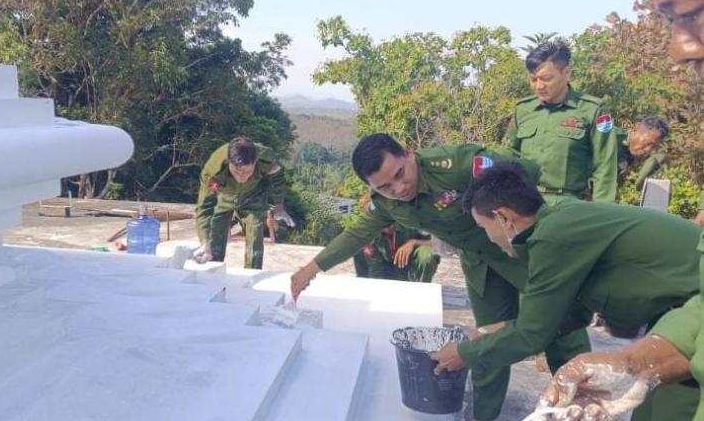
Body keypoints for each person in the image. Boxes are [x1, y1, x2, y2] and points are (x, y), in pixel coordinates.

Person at [289, 133, 591, 420]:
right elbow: (356, 234)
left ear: (408, 153)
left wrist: (516, 220)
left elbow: (528, 171)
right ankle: (484, 414)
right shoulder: (386, 204)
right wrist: (311, 268)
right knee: (488, 340)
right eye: (385, 187)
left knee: (562, 326)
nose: (398, 188)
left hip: (524, 252)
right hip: (482, 264)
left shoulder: (455, 165)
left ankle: (582, 403)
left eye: (400, 173)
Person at [536, 0, 704, 419]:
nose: (679, 49)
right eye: (670, 19)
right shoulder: (602, 132)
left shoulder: (596, 114)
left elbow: (608, 180)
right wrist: (634, 365)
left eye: (695, 13)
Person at [430, 162, 701, 420]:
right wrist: (499, 329)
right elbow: (571, 314)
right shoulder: (560, 221)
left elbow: (532, 335)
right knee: (648, 407)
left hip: (694, 309)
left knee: (670, 411)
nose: (487, 237)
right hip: (676, 313)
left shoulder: (553, 237)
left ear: (503, 217)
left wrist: (464, 354)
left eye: (484, 228)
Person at [505, 41, 618, 204]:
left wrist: (601, 211)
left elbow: (605, 165)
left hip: (568, 205)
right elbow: (508, 155)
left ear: (566, 73)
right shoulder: (523, 109)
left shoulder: (593, 110)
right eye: (533, 79)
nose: (539, 86)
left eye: (546, 78)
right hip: (523, 202)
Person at [194, 137, 294, 269]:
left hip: (253, 195)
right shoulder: (213, 171)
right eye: (236, 171)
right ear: (229, 162)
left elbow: (278, 178)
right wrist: (204, 242)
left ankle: (252, 274)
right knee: (213, 241)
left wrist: (278, 205)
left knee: (255, 238)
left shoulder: (266, 159)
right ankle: (213, 273)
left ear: (255, 162)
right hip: (223, 196)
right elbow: (204, 207)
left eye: (247, 171)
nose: (241, 176)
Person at [353, 223, 440, 283]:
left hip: (409, 270)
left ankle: (421, 291)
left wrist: (414, 242)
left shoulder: (410, 221)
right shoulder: (369, 229)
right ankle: (364, 289)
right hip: (384, 272)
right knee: (358, 245)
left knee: (426, 253)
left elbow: (439, 242)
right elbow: (375, 268)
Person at [617, 117, 670, 191]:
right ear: (635, 129)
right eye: (648, 143)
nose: (648, 150)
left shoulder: (630, 153)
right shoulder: (610, 138)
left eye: (654, 146)